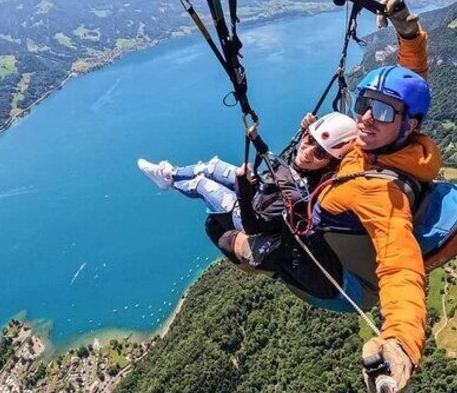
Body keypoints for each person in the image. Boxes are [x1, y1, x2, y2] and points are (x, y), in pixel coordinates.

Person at [311, 0, 439, 393]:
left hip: (325, 259)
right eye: (366, 105)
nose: (365, 117)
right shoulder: (389, 143)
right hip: (334, 195)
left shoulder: (385, 192)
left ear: (407, 125)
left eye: (382, 113)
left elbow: (401, 269)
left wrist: (400, 342)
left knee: (233, 239)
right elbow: (412, 79)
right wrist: (409, 34)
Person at [138, 112, 357, 297]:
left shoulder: (296, 195)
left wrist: (242, 188)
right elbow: (292, 152)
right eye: (309, 140)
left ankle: (171, 184)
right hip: (259, 193)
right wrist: (305, 130)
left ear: (331, 161)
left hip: (247, 215)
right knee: (212, 167)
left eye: (319, 152)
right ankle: (169, 173)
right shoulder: (304, 163)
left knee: (201, 184)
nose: (307, 151)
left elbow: (253, 227)